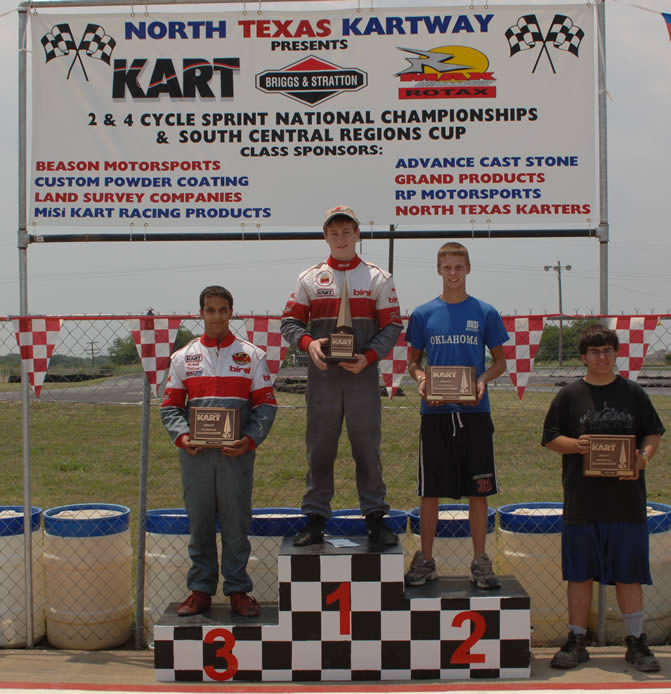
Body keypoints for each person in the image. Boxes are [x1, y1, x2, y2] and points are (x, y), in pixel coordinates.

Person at [542, 325, 664, 671]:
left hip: (626, 501)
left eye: (607, 350)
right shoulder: (569, 396)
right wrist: (578, 445)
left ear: (616, 353)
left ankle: (636, 641)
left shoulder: (633, 393)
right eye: (594, 352)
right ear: (583, 356)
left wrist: (643, 459)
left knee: (629, 574)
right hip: (582, 500)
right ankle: (577, 639)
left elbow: (652, 433)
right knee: (579, 573)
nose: (601, 357)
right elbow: (550, 437)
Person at [281, 205, 403, 547]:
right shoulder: (309, 278)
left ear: (357, 234)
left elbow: (392, 325)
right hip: (323, 377)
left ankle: (375, 518)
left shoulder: (378, 278)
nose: (340, 238)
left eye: (346, 231)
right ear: (325, 236)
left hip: (362, 375)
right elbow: (289, 322)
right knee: (320, 449)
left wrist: (368, 357)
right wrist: (308, 343)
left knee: (367, 448)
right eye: (333, 232)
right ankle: (315, 518)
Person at [161, 285, 277, 617]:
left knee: (236, 522)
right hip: (196, 457)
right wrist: (183, 437)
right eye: (210, 310)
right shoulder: (182, 357)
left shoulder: (251, 355)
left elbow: (266, 405)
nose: (216, 316)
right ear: (201, 313)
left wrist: (249, 440)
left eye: (222, 310)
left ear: (231, 312)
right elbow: (170, 407)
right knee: (199, 522)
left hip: (235, 455)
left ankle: (238, 590)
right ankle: (200, 590)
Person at [404, 242, 508, 589]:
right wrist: (422, 381)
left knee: (479, 490)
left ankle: (480, 560)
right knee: (430, 490)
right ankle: (425, 559)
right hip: (435, 413)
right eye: (447, 267)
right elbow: (413, 363)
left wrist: (482, 380)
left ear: (468, 269)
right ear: (438, 270)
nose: (453, 273)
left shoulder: (485, 312)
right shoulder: (423, 314)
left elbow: (500, 362)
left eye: (458, 267)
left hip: (475, 412)